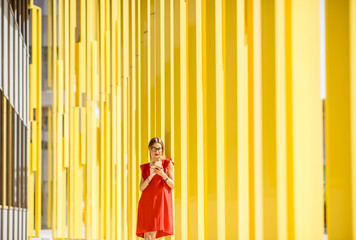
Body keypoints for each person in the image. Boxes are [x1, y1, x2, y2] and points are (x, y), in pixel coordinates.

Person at [136, 137, 175, 240]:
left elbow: (172, 185)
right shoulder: (146, 167)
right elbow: (141, 187)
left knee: (151, 235)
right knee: (147, 237)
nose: (157, 151)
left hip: (159, 203)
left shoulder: (167, 163)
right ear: (149, 149)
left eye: (159, 148)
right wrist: (151, 175)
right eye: (154, 148)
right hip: (146, 203)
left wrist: (162, 174)